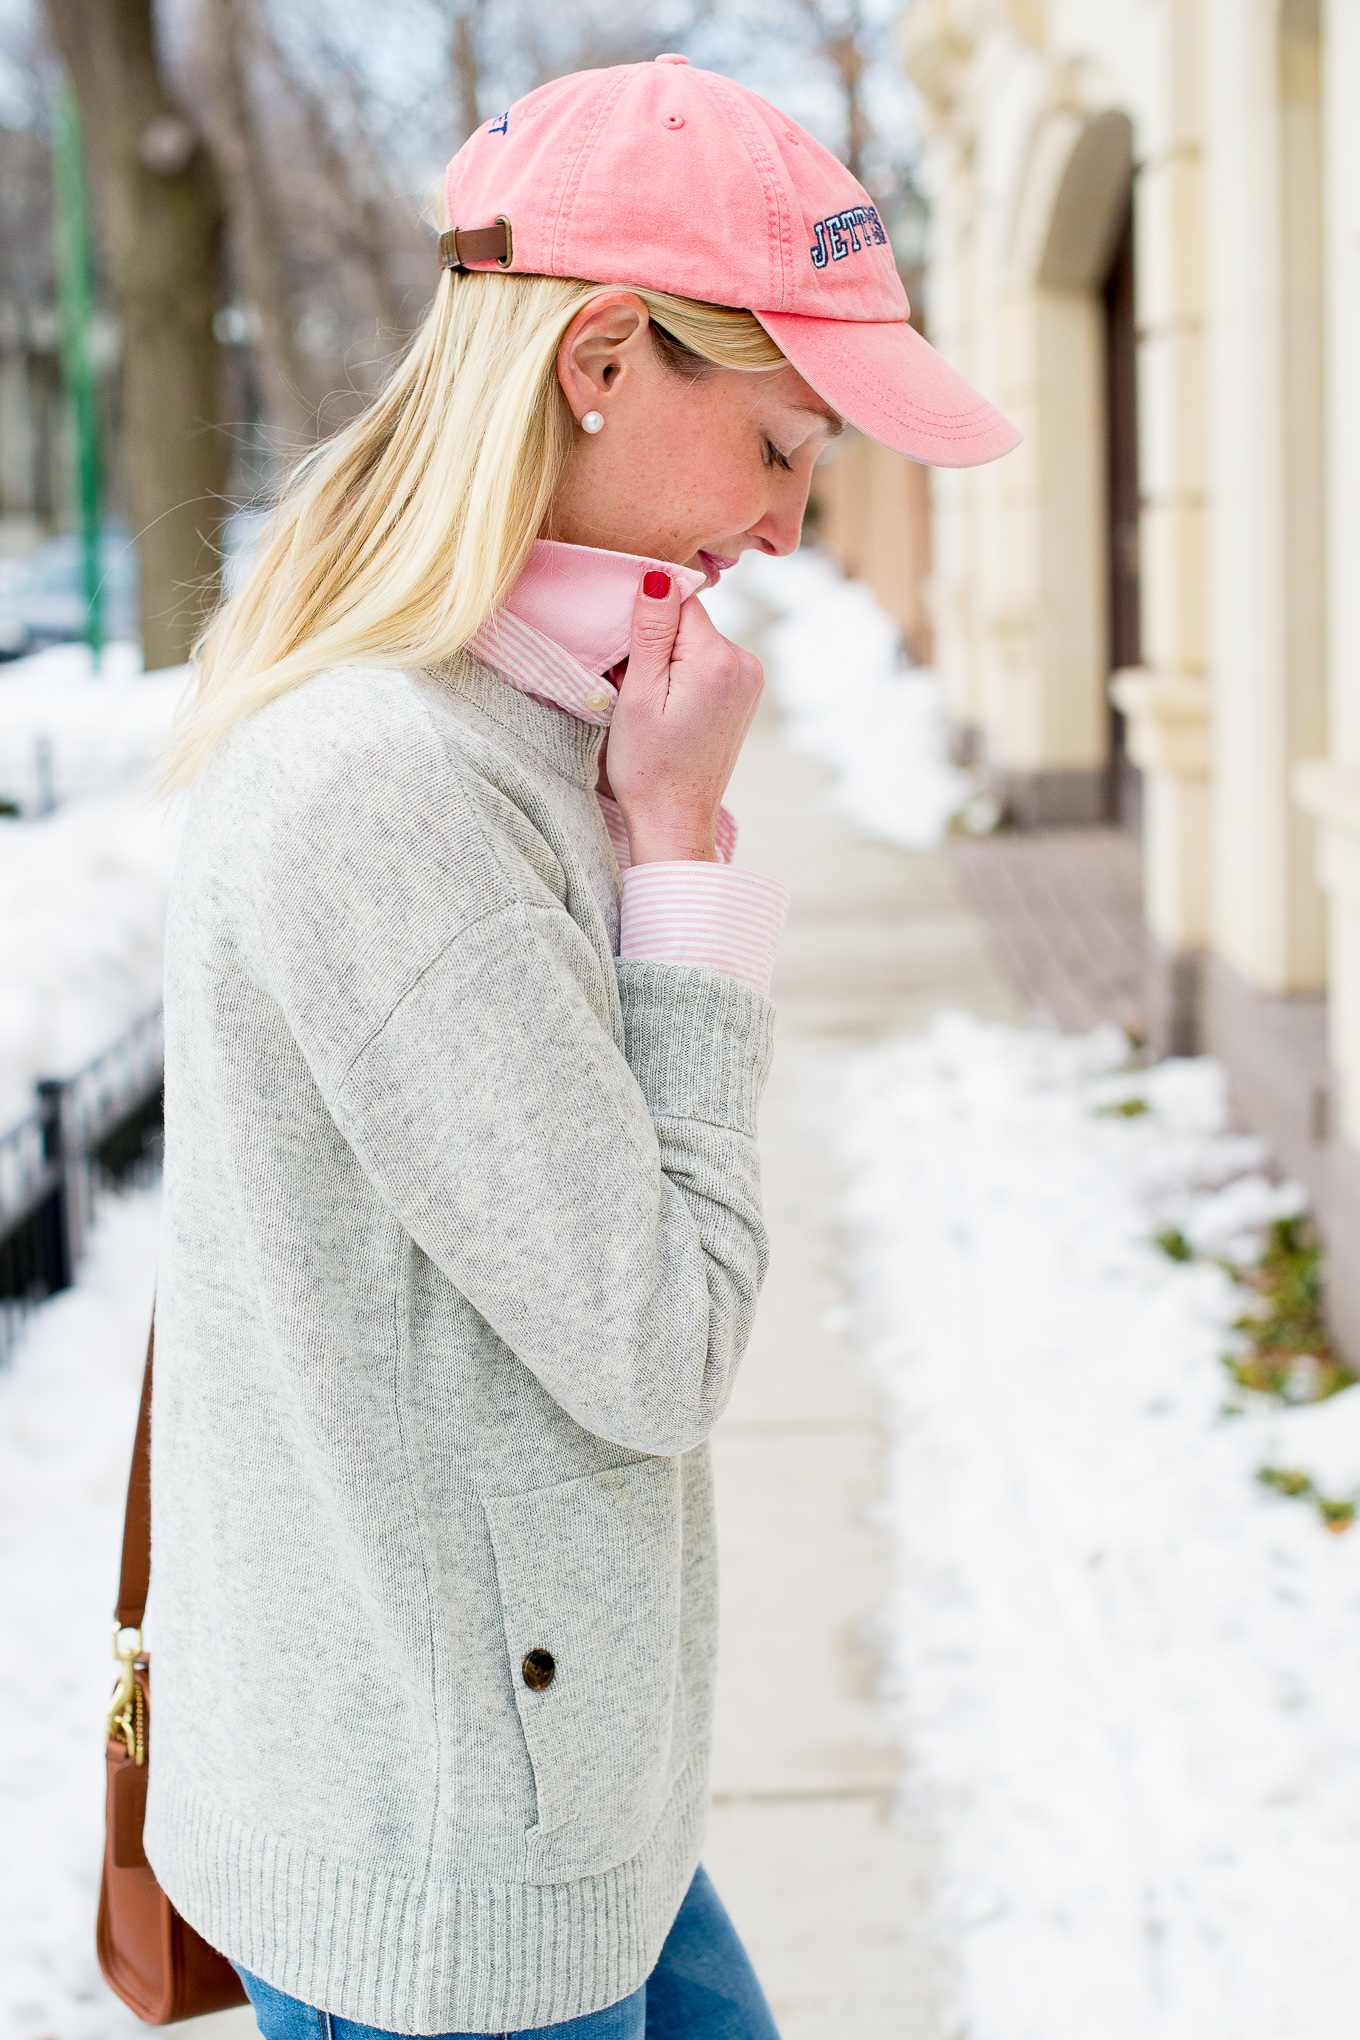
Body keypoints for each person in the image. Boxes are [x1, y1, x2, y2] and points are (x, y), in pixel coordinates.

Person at [147, 54, 1017, 2040]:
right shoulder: (391, 787)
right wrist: (687, 871)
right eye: (784, 446)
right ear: (601, 358)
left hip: (536, 1802)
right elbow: (656, 1345)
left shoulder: (516, 733)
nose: (790, 532)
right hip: (451, 1861)